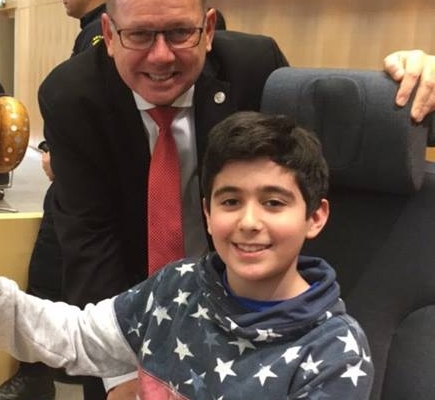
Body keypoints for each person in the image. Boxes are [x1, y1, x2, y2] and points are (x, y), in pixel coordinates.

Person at [38, 0, 434, 396]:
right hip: (132, 311)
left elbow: (339, 139)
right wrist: (121, 376)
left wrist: (420, 82)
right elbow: (89, 238)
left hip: (246, 323)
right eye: (139, 35)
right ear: (109, 34)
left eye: (179, 32)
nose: (160, 56)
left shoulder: (254, 67)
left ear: (209, 29)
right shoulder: (72, 96)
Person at [0, 111, 375, 399]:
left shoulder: (334, 352)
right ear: (207, 212)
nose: (249, 222)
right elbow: (78, 336)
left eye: (274, 202)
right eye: (230, 201)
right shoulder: (179, 285)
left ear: (315, 217)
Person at [0, 2, 107, 400]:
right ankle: (39, 375)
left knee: (57, 279)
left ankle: (41, 377)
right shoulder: (91, 30)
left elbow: (94, 121)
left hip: (85, 192)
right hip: (74, 185)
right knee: (52, 277)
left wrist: (60, 161)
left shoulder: (101, 32)